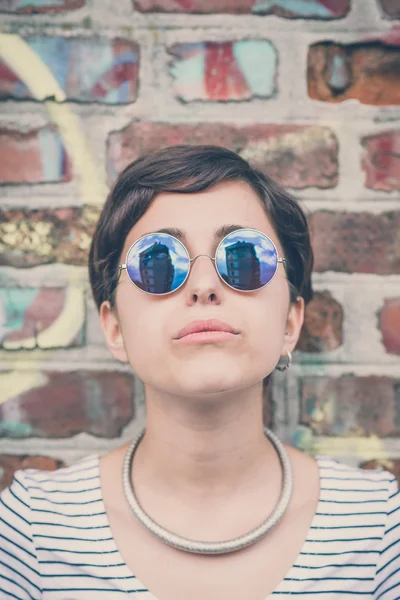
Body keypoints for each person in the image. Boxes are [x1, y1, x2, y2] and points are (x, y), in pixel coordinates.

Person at [0, 145, 399, 600]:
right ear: (114, 328)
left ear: (291, 321)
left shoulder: (377, 528)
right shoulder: (36, 529)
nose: (204, 287)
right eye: (158, 262)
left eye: (244, 257)